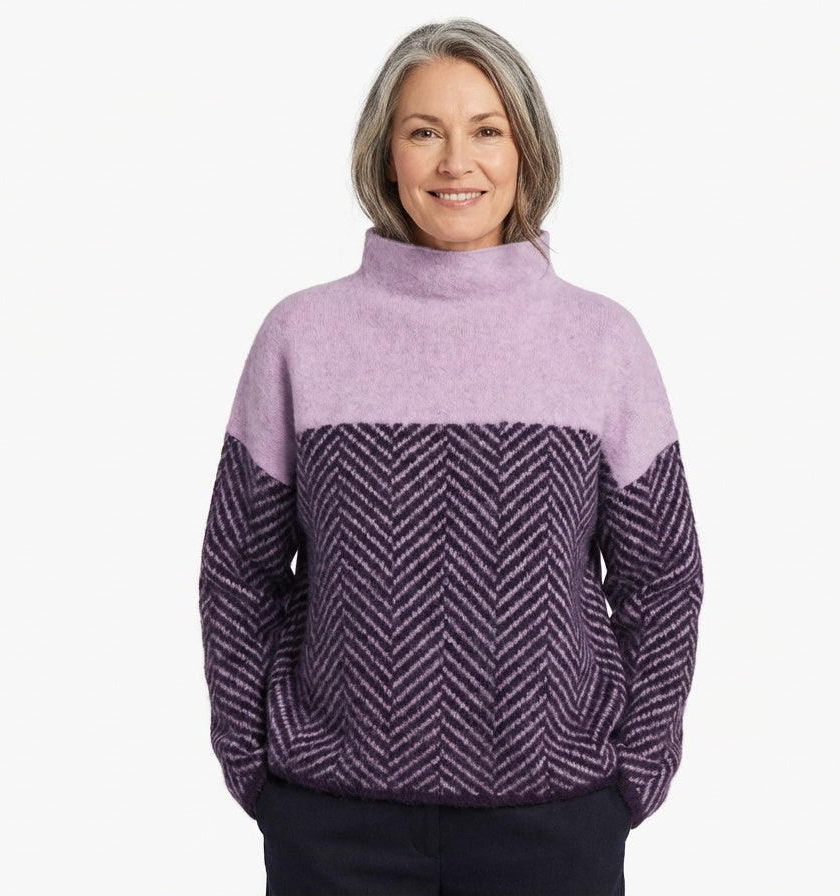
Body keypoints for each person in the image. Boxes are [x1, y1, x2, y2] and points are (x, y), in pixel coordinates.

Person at [198, 18, 704, 896]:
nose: (456, 162)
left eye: (486, 130)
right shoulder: (301, 336)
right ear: (386, 153)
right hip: (333, 824)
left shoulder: (601, 341)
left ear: (525, 149)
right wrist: (255, 764)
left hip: (554, 822)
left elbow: (662, 575)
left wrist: (635, 772)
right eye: (425, 131)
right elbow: (239, 569)